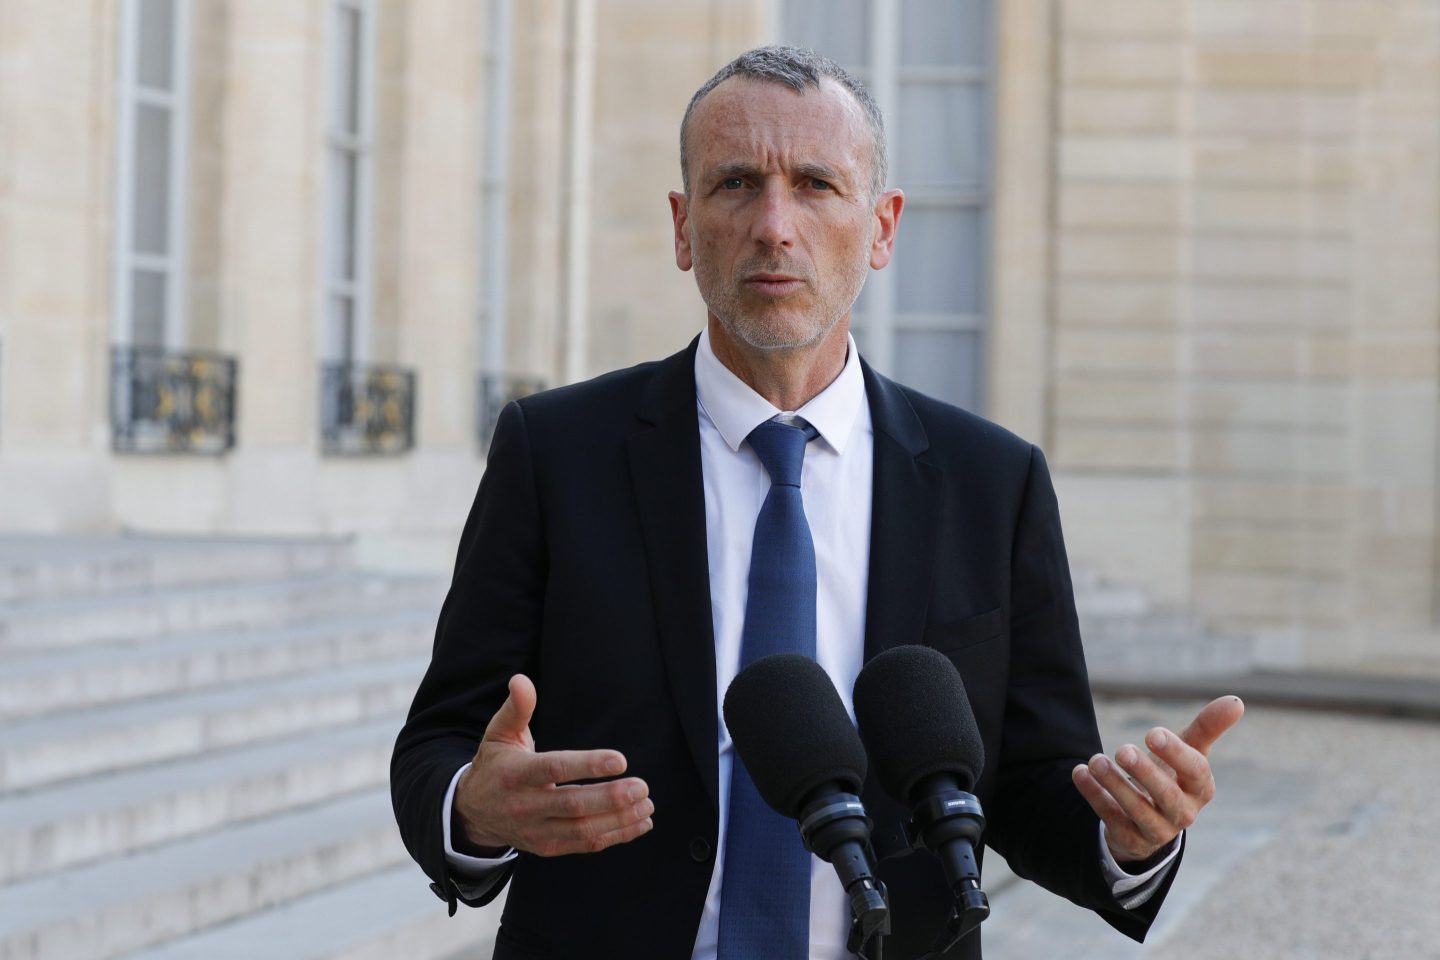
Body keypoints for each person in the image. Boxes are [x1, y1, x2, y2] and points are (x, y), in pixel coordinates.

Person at [390, 45, 1244, 960]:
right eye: (734, 184)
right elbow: (443, 742)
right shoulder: (555, 453)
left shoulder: (992, 483)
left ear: (882, 227)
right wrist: (471, 810)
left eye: (815, 185)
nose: (774, 224)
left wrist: (1131, 836)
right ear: (683, 228)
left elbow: (1030, 789)